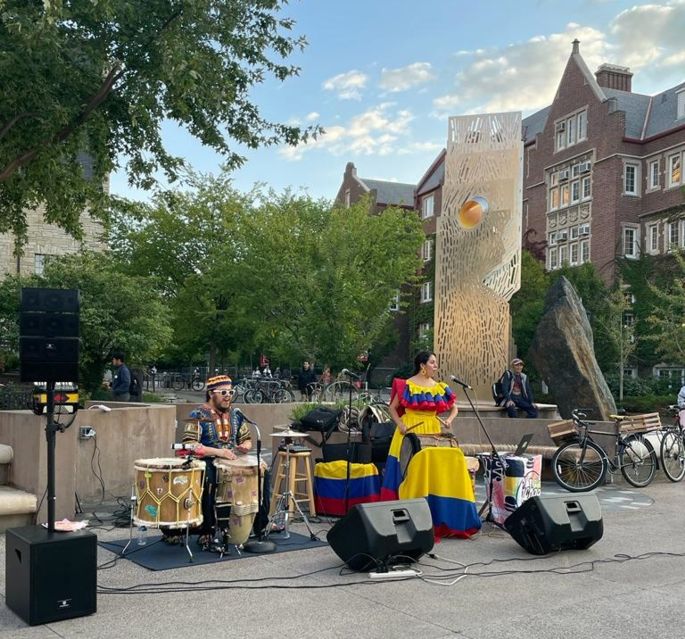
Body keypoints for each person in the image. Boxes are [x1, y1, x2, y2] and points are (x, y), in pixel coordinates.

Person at [173, 374, 253, 549]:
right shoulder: (198, 414)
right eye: (223, 392)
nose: (228, 396)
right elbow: (190, 445)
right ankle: (206, 530)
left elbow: (247, 439)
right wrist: (219, 452)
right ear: (211, 393)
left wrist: (245, 446)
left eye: (230, 392)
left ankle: (254, 525)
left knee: (262, 472)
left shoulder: (236, 414)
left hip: (231, 460)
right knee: (208, 477)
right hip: (207, 460)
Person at [380, 351, 458, 499]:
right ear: (422, 365)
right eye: (432, 362)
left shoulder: (439, 387)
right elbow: (392, 407)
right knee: (406, 466)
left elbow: (454, 408)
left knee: (428, 469)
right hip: (409, 429)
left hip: (432, 430)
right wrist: (400, 424)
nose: (436, 366)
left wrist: (449, 420)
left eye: (436, 363)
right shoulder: (407, 385)